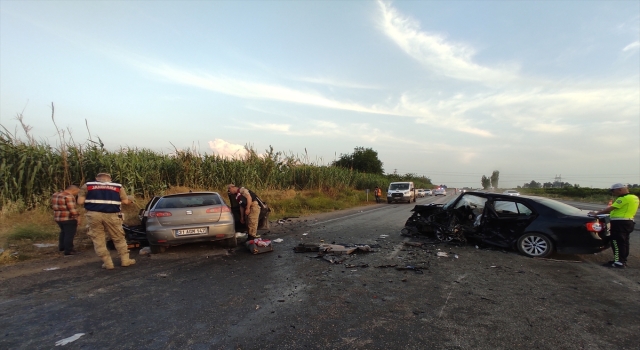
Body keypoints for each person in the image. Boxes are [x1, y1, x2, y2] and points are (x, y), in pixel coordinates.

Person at [77, 172, 136, 270]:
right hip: (112, 215)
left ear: (97, 178)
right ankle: (125, 260)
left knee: (98, 239)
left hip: (94, 215)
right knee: (118, 237)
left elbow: (80, 202)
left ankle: (108, 263)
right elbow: (125, 201)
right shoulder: (118, 186)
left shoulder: (88, 185)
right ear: (110, 179)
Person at [589, 183, 639, 268]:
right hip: (628, 222)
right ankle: (622, 260)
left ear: (620, 189)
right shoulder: (634, 197)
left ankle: (618, 262)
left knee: (616, 242)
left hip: (620, 223)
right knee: (624, 243)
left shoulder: (623, 198)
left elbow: (611, 208)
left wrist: (596, 213)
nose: (613, 193)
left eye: (613, 191)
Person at [51, 185, 81, 255]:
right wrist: (78, 217)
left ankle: (62, 247)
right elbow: (72, 209)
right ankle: (69, 250)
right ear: (73, 190)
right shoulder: (69, 197)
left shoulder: (55, 194)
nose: (77, 193)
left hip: (58, 217)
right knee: (69, 234)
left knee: (63, 232)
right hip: (68, 218)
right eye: (77, 192)